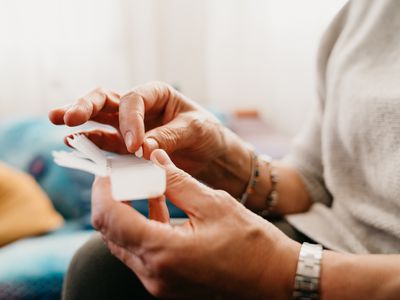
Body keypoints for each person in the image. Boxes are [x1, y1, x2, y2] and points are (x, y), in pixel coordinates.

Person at [49, 1, 400, 299]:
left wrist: (281, 271)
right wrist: (221, 156)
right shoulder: (366, 11)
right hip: (326, 238)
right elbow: (314, 180)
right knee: (102, 270)